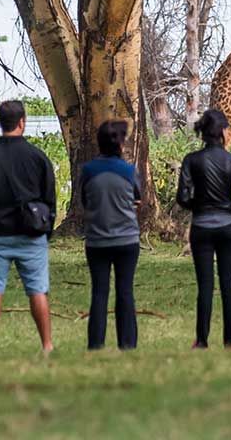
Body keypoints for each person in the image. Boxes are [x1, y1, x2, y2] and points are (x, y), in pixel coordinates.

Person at [0, 99, 57, 352]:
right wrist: (46, 229)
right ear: (22, 122)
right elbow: (50, 198)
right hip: (32, 234)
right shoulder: (37, 157)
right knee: (37, 290)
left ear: (0, 122)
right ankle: (47, 345)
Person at [176, 108, 231, 350]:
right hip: (228, 228)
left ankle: (202, 340)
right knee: (228, 284)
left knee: (205, 285)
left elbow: (182, 198)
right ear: (223, 132)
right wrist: (228, 207)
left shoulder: (191, 160)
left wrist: (200, 206)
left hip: (201, 228)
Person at [76, 119, 141, 351]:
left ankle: (96, 343)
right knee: (125, 291)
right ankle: (128, 343)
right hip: (127, 240)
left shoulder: (88, 171)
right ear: (121, 144)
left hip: (97, 240)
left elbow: (84, 200)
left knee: (99, 291)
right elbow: (137, 198)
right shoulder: (129, 171)